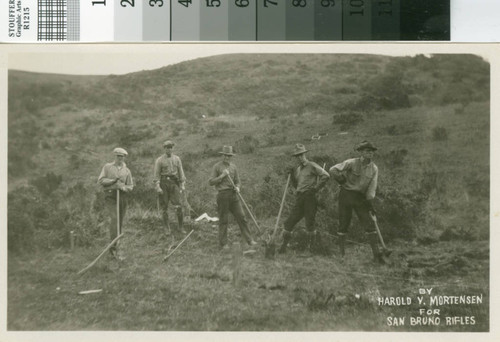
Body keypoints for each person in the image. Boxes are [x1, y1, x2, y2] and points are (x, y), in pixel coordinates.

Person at [329, 140, 384, 264]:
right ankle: (342, 256)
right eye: (366, 151)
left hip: (361, 198)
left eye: (371, 151)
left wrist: (369, 202)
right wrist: (341, 180)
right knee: (343, 224)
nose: (369, 153)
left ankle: (376, 256)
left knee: (369, 225)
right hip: (346, 195)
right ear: (361, 152)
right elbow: (333, 169)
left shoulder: (374, 168)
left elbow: (372, 187)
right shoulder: (351, 162)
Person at [279, 143, 330, 254]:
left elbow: (326, 175)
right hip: (300, 197)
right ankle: (283, 247)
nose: (299, 157)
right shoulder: (297, 169)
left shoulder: (312, 165)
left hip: (310, 197)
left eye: (301, 155)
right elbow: (297, 186)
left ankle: (311, 249)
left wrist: (315, 189)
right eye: (297, 156)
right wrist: (292, 175)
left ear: (305, 154)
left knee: (309, 223)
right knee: (289, 222)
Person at [209, 145, 257, 251]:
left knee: (242, 217)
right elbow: (211, 182)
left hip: (234, 195)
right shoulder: (217, 166)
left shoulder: (234, 167)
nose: (227, 158)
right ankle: (223, 243)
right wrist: (222, 176)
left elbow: (238, 181)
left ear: (231, 156)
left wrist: (238, 187)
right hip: (222, 195)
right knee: (224, 220)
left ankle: (249, 240)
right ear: (222, 155)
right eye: (225, 156)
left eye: (229, 156)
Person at [98, 147, 134, 259]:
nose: (120, 158)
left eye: (122, 157)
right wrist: (113, 181)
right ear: (115, 156)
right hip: (111, 196)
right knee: (114, 219)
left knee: (120, 222)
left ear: (124, 157)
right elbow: (101, 180)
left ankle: (117, 247)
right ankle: (113, 249)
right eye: (118, 156)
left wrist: (123, 187)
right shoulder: (107, 167)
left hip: (122, 196)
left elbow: (130, 186)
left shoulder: (127, 170)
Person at [153, 140, 186, 240]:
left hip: (174, 183)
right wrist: (158, 187)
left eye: (171, 147)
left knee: (179, 205)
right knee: (164, 207)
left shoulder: (177, 159)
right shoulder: (159, 160)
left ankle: (180, 227)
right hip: (163, 183)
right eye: (167, 147)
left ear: (173, 148)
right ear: (164, 148)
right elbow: (156, 175)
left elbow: (181, 173)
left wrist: (182, 184)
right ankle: (166, 228)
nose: (169, 149)